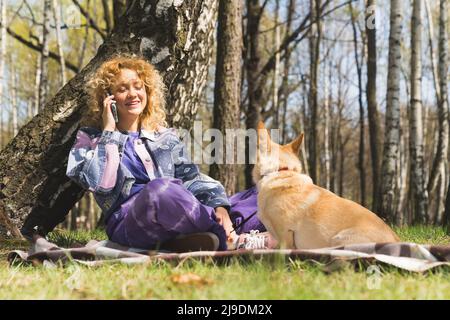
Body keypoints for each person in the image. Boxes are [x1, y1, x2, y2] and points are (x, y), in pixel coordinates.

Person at [66, 54, 276, 252]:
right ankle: (234, 238)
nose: (132, 94)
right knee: (161, 191)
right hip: (133, 221)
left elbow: (191, 177)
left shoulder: (164, 136)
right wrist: (109, 132)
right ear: (107, 97)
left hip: (184, 208)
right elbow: (102, 184)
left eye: (138, 87)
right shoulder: (90, 139)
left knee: (263, 192)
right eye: (122, 89)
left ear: (147, 91)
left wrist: (219, 206)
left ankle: (205, 235)